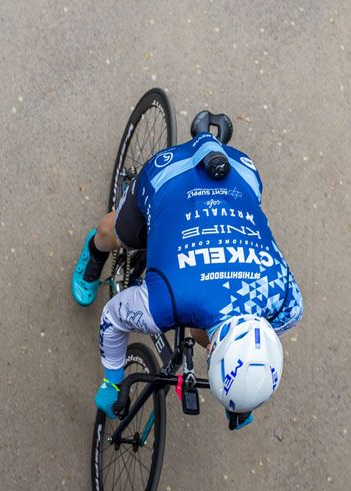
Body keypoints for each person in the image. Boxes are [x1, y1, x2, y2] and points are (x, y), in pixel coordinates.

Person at [72, 127, 303, 429]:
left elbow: (246, 344)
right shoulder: (162, 303)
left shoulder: (288, 300)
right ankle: (94, 250)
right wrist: (112, 381)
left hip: (241, 172)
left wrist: (244, 391)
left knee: (203, 313)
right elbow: (112, 318)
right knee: (112, 233)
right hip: (169, 176)